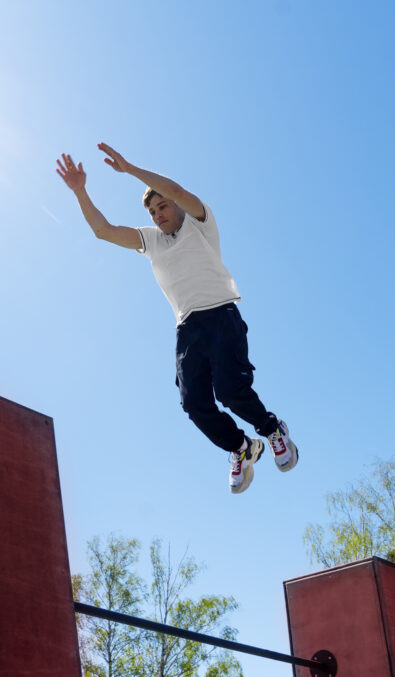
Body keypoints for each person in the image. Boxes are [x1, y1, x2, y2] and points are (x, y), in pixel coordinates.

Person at [56, 143, 297, 494]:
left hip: (221, 314)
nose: (157, 214)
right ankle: (242, 448)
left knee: (230, 390)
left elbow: (178, 191)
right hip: (187, 329)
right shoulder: (151, 241)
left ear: (177, 207)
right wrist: (80, 192)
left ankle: (273, 430)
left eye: (162, 206)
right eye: (152, 211)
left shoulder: (200, 223)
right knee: (193, 402)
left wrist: (130, 169)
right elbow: (104, 231)